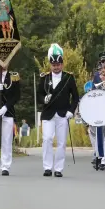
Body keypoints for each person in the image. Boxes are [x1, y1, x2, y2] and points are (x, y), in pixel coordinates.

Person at [37, 43, 79, 177]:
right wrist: (44, 99)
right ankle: (47, 167)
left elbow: (76, 97)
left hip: (63, 114)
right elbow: (38, 94)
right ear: (51, 65)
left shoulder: (69, 77)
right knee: (47, 139)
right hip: (48, 113)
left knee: (61, 142)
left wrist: (71, 111)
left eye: (58, 64)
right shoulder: (44, 78)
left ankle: (59, 169)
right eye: (54, 65)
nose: (56, 67)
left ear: (62, 64)